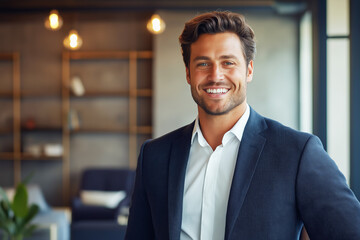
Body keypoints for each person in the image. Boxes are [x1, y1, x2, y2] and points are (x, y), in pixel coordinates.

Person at [125, 11, 360, 240]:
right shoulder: (154, 156)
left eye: (228, 62)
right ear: (188, 73)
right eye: (203, 64)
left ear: (249, 70)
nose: (216, 75)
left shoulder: (298, 152)